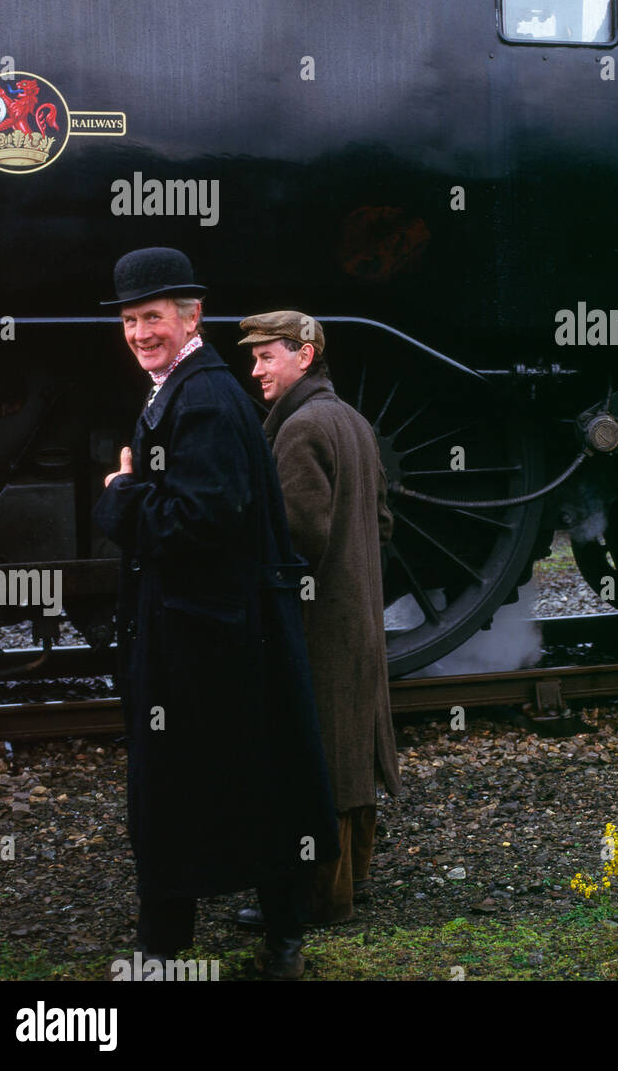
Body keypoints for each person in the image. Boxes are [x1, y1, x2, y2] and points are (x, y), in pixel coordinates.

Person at [94, 248, 338, 979]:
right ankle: (274, 934)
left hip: (206, 635)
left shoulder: (200, 396)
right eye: (132, 320)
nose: (141, 332)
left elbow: (200, 519)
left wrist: (120, 495)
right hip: (214, 629)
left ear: (191, 316)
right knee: (253, 778)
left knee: (183, 785)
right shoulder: (191, 387)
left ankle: (168, 944)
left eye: (154, 317)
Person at [233, 310, 400, 929]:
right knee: (352, 749)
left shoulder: (300, 430)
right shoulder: (352, 421)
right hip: (356, 615)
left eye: (266, 356)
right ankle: (353, 878)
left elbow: (299, 538)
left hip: (317, 623)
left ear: (303, 356)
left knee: (319, 757)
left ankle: (321, 900)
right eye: (253, 359)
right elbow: (381, 524)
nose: (255, 371)